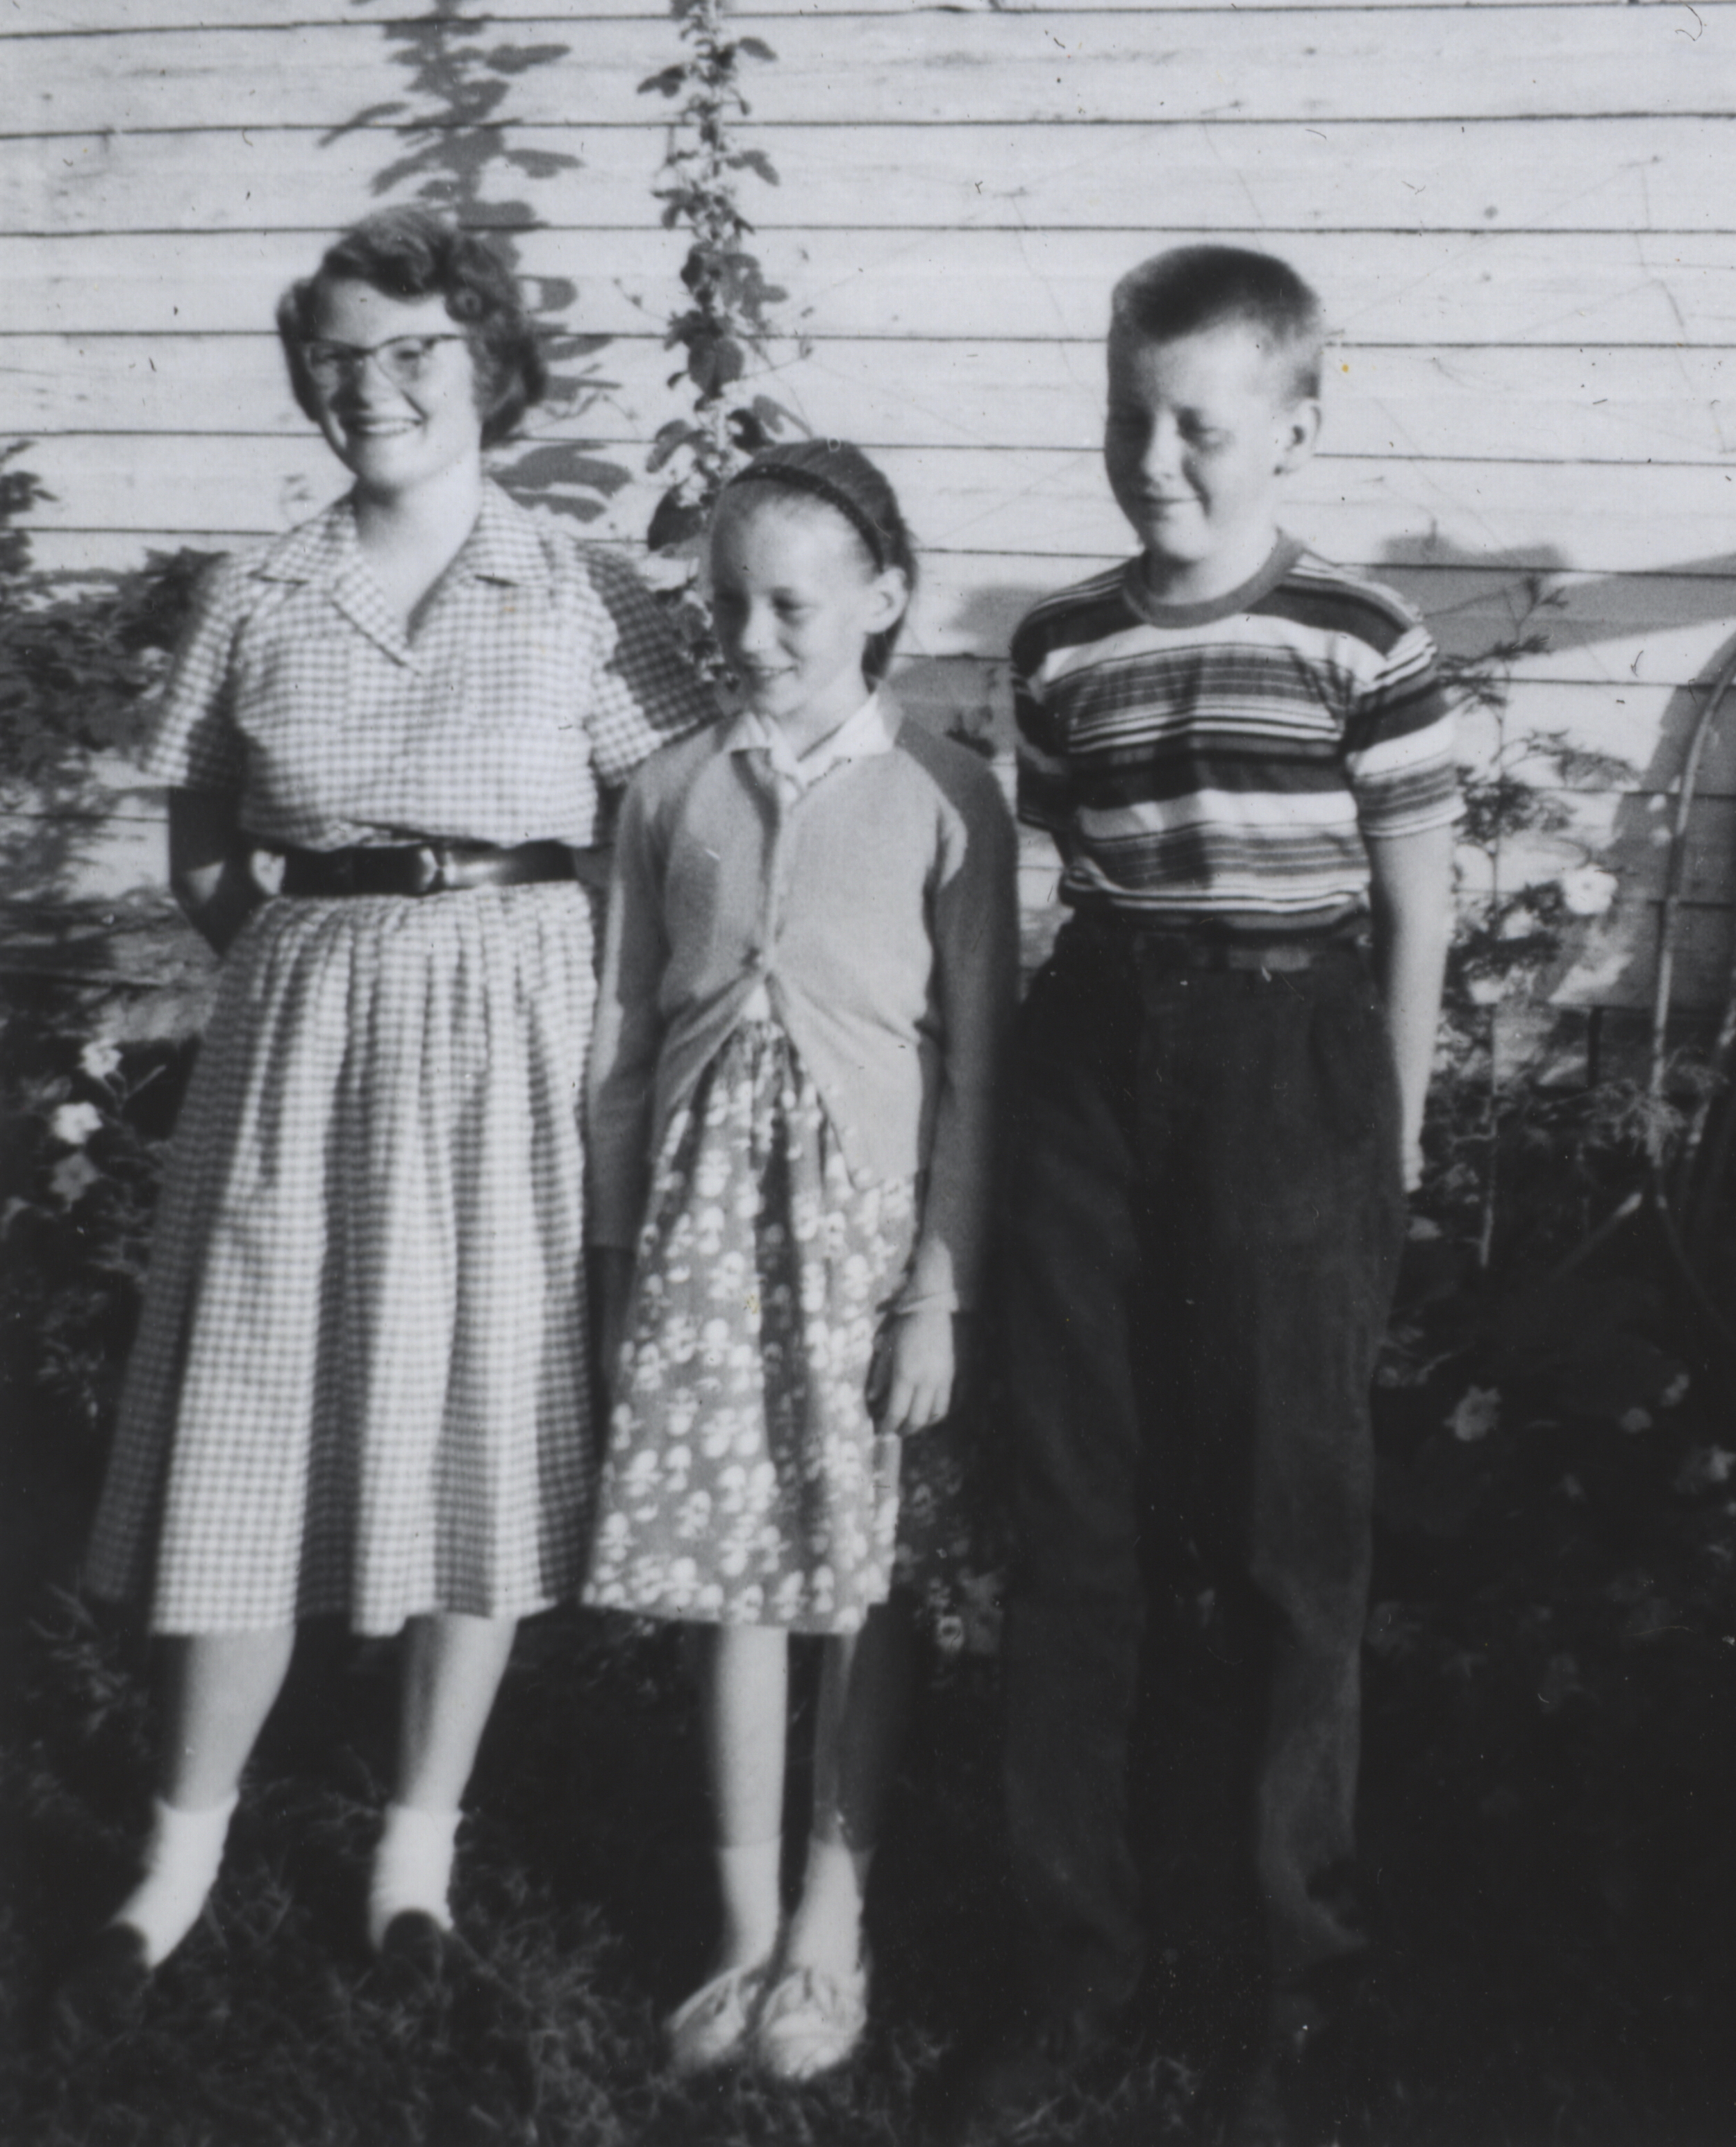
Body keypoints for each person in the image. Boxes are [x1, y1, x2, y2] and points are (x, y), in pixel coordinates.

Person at [63, 208, 714, 2019]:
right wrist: (292, 964)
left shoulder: (591, 589)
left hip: (518, 1048)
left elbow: (667, 833)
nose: (376, 389)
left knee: (479, 1429)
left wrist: (595, 1018)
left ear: (487, 363)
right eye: (340, 360)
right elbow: (199, 825)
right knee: (250, 1422)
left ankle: (414, 1846)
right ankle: (173, 1858)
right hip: (302, 1041)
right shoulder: (260, 592)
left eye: (414, 349)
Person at [971, 247, 1458, 2142]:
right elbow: (1044, 897)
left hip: (1292, 1065)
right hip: (1098, 1065)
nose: (1155, 459)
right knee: (1078, 1532)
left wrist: (1387, 1142)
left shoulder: (1360, 633)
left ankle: (1299, 1976)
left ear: (1292, 425)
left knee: (1280, 1537)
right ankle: (1075, 1963)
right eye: (1128, 416)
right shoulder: (1059, 646)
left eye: (1199, 422)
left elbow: (1413, 905)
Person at [583, 440, 1017, 2082]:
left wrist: (938, 1286)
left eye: (790, 602)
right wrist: (620, 1257)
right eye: (726, 602)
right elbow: (623, 1044)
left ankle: (834, 1914)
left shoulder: (941, 794)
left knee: (853, 1575)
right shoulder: (669, 793)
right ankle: (740, 1923)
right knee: (728, 1579)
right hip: (703, 1236)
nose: (754, 634)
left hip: (866, 1241)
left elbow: (981, 1060)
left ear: (883, 601)